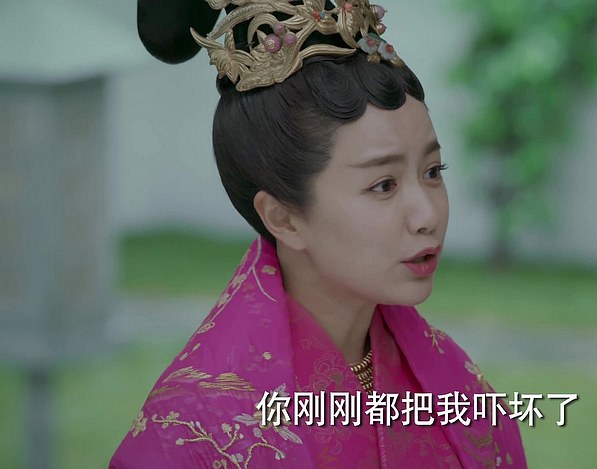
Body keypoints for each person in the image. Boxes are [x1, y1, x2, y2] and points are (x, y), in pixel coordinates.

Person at [110, 1, 527, 467]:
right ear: (284, 218)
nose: (427, 214)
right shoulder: (196, 431)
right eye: (383, 185)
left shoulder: (455, 385)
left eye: (433, 171)